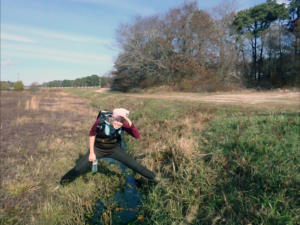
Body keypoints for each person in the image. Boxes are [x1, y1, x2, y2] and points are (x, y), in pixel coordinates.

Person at [60, 108, 156, 184]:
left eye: (122, 121)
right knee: (78, 168)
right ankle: (62, 183)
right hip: (97, 149)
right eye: (117, 120)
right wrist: (92, 153)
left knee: (134, 165)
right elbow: (92, 135)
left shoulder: (123, 124)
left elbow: (137, 136)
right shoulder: (100, 122)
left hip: (113, 149)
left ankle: (155, 178)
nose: (119, 123)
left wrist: (129, 122)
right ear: (112, 117)